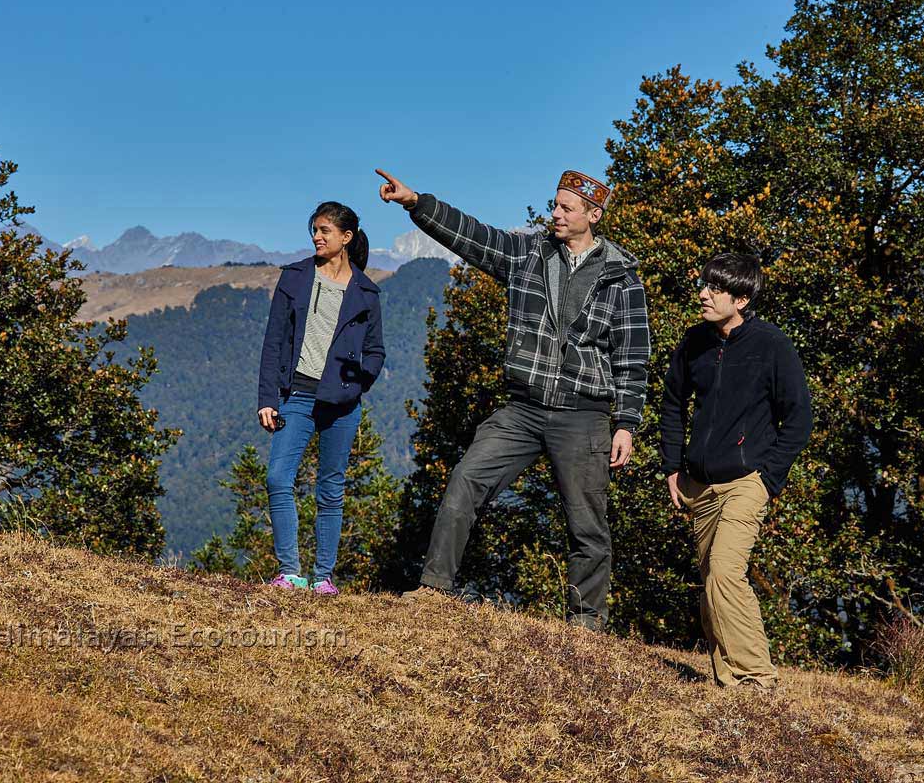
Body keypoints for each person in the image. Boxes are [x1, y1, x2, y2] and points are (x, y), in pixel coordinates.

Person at [376, 167, 650, 630]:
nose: (556, 214)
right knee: (466, 479)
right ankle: (434, 589)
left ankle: (586, 627)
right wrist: (416, 202)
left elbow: (633, 355)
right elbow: (472, 236)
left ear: (593, 215)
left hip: (584, 416)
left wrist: (626, 423)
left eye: (567, 208)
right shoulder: (527, 254)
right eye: (556, 204)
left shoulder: (622, 278)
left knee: (587, 525)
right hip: (522, 409)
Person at [659, 252, 812, 689]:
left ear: (741, 299)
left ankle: (757, 677)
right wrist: (672, 467)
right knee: (712, 581)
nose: (703, 294)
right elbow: (673, 403)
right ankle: (727, 677)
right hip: (698, 485)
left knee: (726, 570)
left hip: (747, 482)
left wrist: (768, 477)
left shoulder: (771, 345)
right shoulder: (694, 343)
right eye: (704, 285)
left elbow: (798, 416)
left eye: (716, 289)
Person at [256, 201, 385, 596]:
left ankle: (323, 579)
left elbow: (376, 350)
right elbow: (273, 341)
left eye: (325, 230)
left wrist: (359, 382)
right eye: (315, 229)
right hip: (296, 395)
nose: (317, 236)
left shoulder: (366, 292)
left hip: (342, 405)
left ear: (346, 237)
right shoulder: (294, 278)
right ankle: (290, 572)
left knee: (331, 488)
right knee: (278, 477)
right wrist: (267, 398)